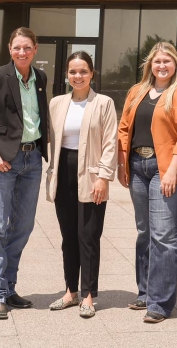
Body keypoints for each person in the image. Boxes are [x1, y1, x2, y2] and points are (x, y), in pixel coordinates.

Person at [117, 41, 177, 323]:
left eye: (167, 61)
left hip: (165, 169)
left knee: (163, 235)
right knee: (145, 232)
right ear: (149, 65)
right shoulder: (136, 91)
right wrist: (122, 164)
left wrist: (172, 171)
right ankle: (145, 292)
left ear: (175, 64)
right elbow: (124, 129)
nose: (162, 66)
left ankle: (160, 303)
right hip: (137, 166)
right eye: (157, 61)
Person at [0, 27, 48, 320]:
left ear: (35, 49)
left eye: (27, 47)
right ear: (9, 49)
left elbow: (39, 117)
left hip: (32, 159)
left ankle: (8, 287)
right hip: (2, 161)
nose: (22, 52)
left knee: (22, 227)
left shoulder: (40, 78)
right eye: (17, 48)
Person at [45, 51, 118, 319]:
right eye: (73, 72)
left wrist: (103, 177)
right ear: (67, 75)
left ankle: (88, 294)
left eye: (83, 71)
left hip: (91, 174)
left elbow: (111, 142)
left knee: (88, 236)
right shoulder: (57, 103)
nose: (78, 76)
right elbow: (47, 136)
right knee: (68, 237)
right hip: (63, 171)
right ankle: (70, 291)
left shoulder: (104, 103)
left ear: (92, 74)